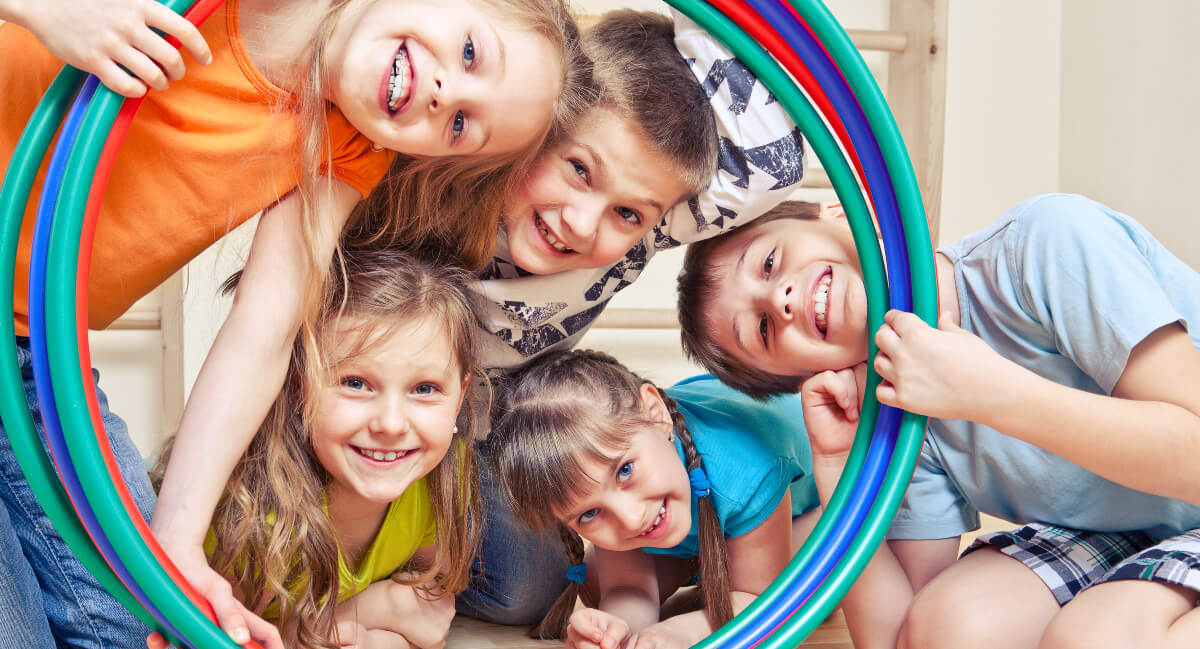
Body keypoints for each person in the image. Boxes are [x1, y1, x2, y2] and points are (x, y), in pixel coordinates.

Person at [0, 0, 583, 646]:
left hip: (28, 359)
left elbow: (267, 325)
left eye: (462, 126)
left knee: (134, 624)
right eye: (472, 52)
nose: (448, 94)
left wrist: (178, 542)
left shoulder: (349, 144)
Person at [676, 194, 1200, 648]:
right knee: (945, 629)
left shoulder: (1045, 242)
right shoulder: (898, 405)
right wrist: (837, 468)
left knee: (1094, 639)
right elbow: (896, 637)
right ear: (802, 376)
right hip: (1134, 529)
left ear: (837, 214)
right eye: (764, 329)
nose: (780, 299)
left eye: (768, 263)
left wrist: (987, 394)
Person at [457, 8, 810, 627]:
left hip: (509, 421)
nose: (582, 224)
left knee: (524, 593)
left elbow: (773, 156)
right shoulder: (464, 175)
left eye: (628, 213)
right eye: (578, 170)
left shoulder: (649, 225)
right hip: (404, 392)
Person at [143, 246, 485, 649]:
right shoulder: (250, 507)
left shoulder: (442, 474)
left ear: (460, 396)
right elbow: (221, 638)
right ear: (299, 383)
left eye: (425, 389)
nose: (391, 425)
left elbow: (434, 609)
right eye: (355, 383)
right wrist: (361, 616)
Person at [487, 349, 819, 648]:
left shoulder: (749, 470)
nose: (630, 518)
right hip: (697, 502)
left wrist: (685, 631)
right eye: (589, 514)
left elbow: (763, 601)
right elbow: (628, 590)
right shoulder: (631, 479)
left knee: (807, 582)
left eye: (625, 471)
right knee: (593, 582)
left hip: (807, 503)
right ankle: (704, 566)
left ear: (656, 413)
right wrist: (615, 630)